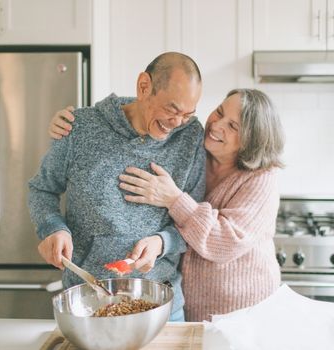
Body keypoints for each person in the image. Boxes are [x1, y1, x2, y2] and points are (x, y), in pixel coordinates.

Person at [49, 88, 285, 321]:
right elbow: (151, 110)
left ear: (252, 141)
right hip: (190, 305)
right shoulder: (197, 149)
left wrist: (173, 199)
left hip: (244, 311)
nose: (217, 125)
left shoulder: (261, 178)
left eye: (233, 126)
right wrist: (78, 121)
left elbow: (225, 242)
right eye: (219, 112)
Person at [28, 52, 206, 322]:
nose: (177, 123)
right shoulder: (81, 127)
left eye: (187, 114)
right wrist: (52, 228)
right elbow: (42, 189)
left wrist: (162, 242)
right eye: (172, 110)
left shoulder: (190, 136)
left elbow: (194, 219)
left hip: (162, 307)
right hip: (87, 304)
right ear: (144, 86)